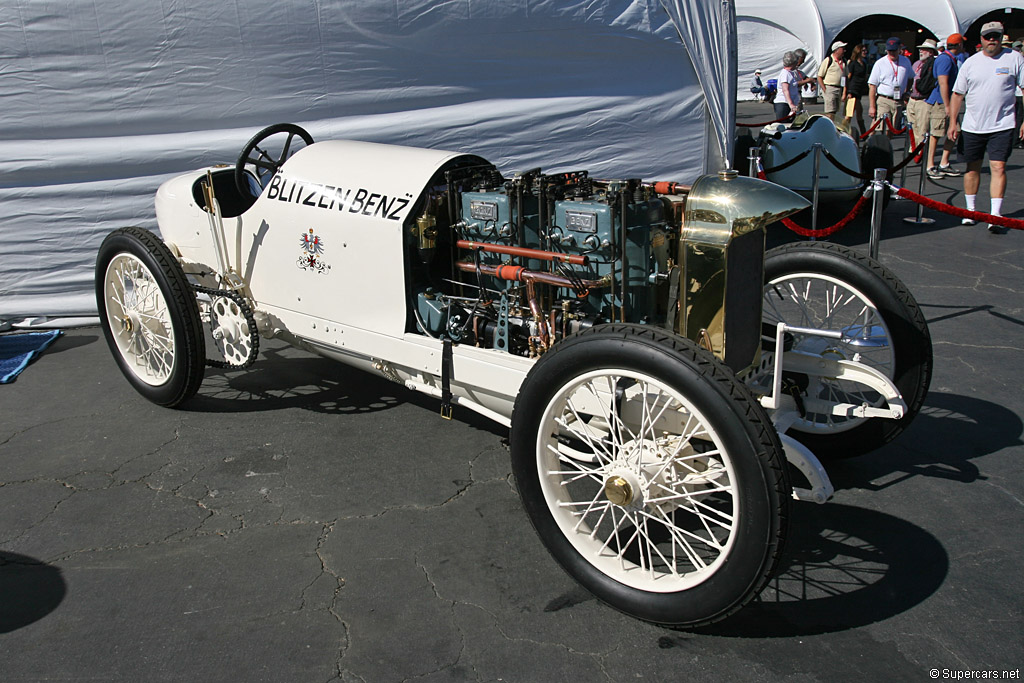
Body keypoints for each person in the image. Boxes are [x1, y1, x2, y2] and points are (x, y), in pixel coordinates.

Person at [948, 21, 1024, 234]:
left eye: (996, 36)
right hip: (973, 125)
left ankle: (995, 214)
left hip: (1003, 124)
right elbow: (957, 94)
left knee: (998, 167)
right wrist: (953, 122)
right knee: (972, 168)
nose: (992, 40)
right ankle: (971, 211)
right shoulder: (971, 63)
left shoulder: (1014, 58)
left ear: (1002, 37)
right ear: (981, 39)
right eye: (988, 36)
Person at [906, 39, 945, 178]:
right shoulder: (916, 63)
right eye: (920, 49)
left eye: (924, 49)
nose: (921, 51)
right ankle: (914, 152)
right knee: (913, 127)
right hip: (912, 99)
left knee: (922, 129)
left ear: (931, 52)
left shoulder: (933, 65)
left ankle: (920, 155)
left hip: (923, 100)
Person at [934, 33, 966, 176]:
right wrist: (947, 105)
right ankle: (930, 165)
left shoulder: (951, 59)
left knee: (954, 131)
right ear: (959, 45)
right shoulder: (945, 59)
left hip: (949, 101)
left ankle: (944, 162)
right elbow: (943, 83)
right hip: (941, 102)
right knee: (936, 133)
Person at [868, 37, 913, 134]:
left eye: (894, 50)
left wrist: (907, 91)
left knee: (892, 130)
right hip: (884, 100)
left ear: (899, 50)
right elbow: (872, 86)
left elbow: (911, 77)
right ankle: (871, 144)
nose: (892, 53)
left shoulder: (905, 61)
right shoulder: (880, 63)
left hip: (898, 101)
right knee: (880, 126)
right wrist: (872, 106)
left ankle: (886, 147)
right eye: (889, 51)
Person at [843, 43, 869, 134]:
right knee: (849, 114)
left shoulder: (864, 64)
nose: (865, 52)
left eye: (865, 50)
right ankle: (843, 131)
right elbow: (848, 77)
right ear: (858, 51)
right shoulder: (853, 64)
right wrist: (847, 91)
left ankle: (863, 133)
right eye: (863, 51)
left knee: (859, 113)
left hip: (859, 91)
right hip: (852, 90)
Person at [817, 41, 846, 121]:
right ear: (836, 50)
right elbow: (819, 76)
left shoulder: (844, 62)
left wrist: (844, 91)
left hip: (839, 88)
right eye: (842, 48)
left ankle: (832, 127)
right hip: (830, 87)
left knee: (835, 111)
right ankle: (828, 128)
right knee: (830, 111)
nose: (844, 50)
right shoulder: (828, 60)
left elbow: (845, 77)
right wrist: (825, 89)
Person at [773, 51, 802, 121]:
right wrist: (791, 104)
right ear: (793, 63)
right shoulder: (785, 74)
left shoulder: (790, 73)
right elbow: (785, 90)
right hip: (783, 104)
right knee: (783, 125)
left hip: (788, 103)